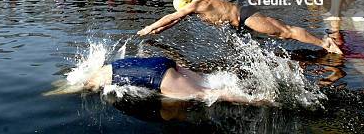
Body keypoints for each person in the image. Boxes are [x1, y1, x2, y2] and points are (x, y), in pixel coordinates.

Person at [138, 0, 342, 54]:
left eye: (181, 10)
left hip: (245, 16)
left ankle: (325, 43)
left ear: (184, 4)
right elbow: (172, 22)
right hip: (240, 25)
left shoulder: (198, 3)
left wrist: (149, 27)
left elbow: (171, 18)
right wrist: (154, 33)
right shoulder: (192, 11)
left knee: (284, 32)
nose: (181, 14)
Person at [70, 55, 258, 103]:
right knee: (206, 80)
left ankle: (262, 100)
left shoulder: (91, 82)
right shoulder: (101, 68)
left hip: (157, 76)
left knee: (205, 94)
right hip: (159, 63)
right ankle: (248, 82)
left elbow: (71, 89)